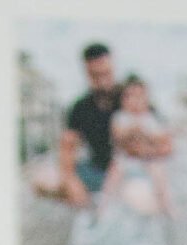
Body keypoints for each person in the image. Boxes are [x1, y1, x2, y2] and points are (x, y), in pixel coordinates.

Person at [55, 41, 172, 211]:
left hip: (132, 170)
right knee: (44, 179)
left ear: (112, 66)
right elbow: (67, 147)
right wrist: (70, 180)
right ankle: (90, 207)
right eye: (95, 75)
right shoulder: (80, 106)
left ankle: (121, 205)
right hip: (97, 170)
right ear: (86, 72)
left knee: (140, 200)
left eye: (105, 73)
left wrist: (143, 152)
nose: (102, 80)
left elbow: (167, 144)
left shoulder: (132, 97)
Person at [103, 74, 175, 218]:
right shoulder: (120, 117)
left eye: (140, 96)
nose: (135, 101)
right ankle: (104, 206)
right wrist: (133, 129)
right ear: (123, 100)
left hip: (148, 160)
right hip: (124, 159)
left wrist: (148, 135)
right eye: (129, 97)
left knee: (159, 173)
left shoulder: (150, 118)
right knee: (113, 175)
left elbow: (161, 138)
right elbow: (118, 136)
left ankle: (167, 204)